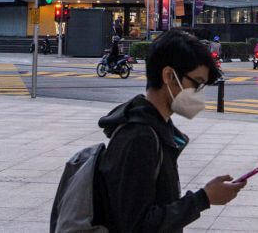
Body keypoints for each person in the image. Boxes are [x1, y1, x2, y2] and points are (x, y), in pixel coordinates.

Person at [64, 29, 242, 231]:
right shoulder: (140, 137)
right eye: (197, 84)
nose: (198, 95)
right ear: (169, 76)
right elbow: (137, 225)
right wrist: (204, 198)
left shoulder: (155, 128)